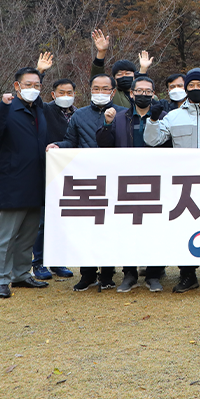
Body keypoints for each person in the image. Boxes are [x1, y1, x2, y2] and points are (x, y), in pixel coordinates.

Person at [144, 67, 200, 294]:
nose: (195, 89)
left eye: (199, 85)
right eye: (191, 86)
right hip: (185, 183)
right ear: (186, 88)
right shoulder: (173, 116)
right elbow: (152, 141)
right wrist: (153, 119)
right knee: (184, 228)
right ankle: (188, 275)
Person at [47, 73, 119, 292]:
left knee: (110, 228)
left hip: (115, 178)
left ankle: (107, 274)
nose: (100, 92)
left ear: (113, 92)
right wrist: (59, 146)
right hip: (87, 178)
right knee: (87, 227)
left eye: (105, 88)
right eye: (96, 88)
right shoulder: (79, 116)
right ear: (90, 90)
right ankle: (87, 273)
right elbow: (72, 141)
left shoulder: (123, 114)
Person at [96, 76, 167, 293]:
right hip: (127, 181)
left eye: (148, 91)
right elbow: (104, 145)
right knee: (128, 228)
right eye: (139, 90)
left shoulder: (164, 117)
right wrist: (106, 126)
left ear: (153, 94)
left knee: (156, 228)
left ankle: (154, 273)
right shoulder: (118, 117)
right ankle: (129, 273)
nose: (143, 94)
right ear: (132, 93)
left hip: (158, 181)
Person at [0, 68, 50, 298]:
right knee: (6, 236)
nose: (33, 89)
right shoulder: (7, 109)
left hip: (37, 181)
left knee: (28, 234)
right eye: (28, 85)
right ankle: (2, 278)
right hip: (12, 182)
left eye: (37, 85)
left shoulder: (39, 109)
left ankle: (21, 274)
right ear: (16, 86)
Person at [32, 76, 76, 281]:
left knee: (61, 219)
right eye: (61, 92)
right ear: (53, 94)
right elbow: (34, 99)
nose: (65, 96)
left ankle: (58, 260)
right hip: (45, 169)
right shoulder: (47, 109)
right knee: (42, 221)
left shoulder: (77, 114)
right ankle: (39, 262)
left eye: (69, 93)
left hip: (69, 173)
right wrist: (39, 73)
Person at [89, 29, 153, 109]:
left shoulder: (149, 95)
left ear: (134, 75)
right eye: (119, 74)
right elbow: (97, 77)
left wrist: (143, 70)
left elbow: (142, 86)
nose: (124, 76)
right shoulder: (113, 94)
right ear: (115, 78)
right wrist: (101, 53)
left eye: (127, 73)